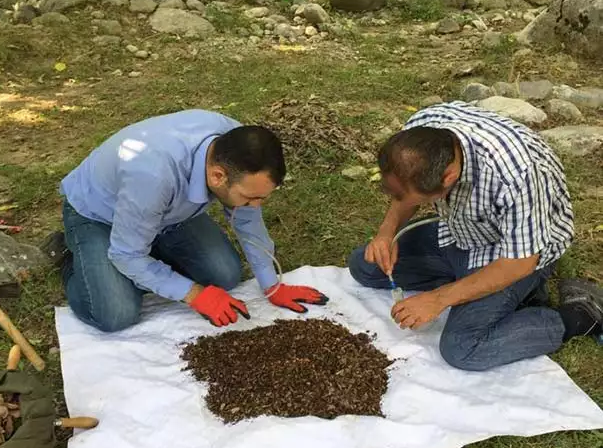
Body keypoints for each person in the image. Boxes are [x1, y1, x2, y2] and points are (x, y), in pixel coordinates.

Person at [348, 101, 602, 371]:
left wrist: (439, 299)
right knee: (364, 267)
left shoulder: (515, 175)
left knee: (462, 348)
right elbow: (406, 194)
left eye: (419, 199)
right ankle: (495, 293)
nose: (404, 203)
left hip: (512, 253)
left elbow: (520, 262)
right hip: (459, 230)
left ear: (448, 177)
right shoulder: (418, 135)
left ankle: (580, 315)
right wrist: (386, 234)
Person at [43, 109, 328, 332]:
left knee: (224, 276)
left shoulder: (235, 145)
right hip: (99, 215)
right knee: (115, 313)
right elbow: (126, 254)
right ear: (218, 176)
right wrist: (193, 294)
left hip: (170, 214)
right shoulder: (152, 175)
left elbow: (247, 220)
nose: (255, 206)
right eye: (249, 198)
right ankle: (73, 255)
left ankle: (146, 247)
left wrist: (271, 283)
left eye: (261, 198)